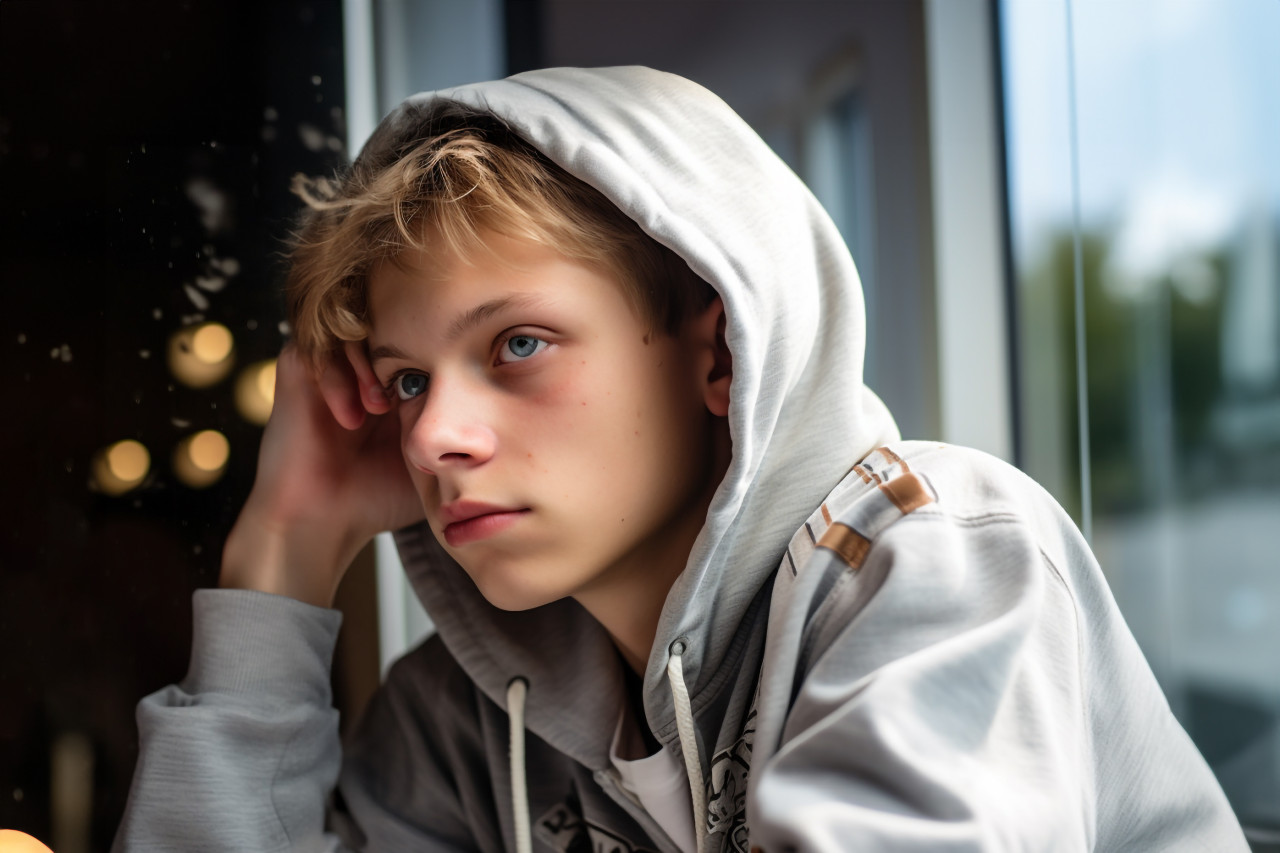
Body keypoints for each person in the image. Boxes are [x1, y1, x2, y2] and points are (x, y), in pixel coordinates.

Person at [113, 67, 1247, 852]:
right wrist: (285, 546)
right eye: (407, 378)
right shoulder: (463, 721)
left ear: (718, 353)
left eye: (517, 344)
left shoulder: (934, 564)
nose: (429, 434)